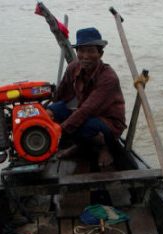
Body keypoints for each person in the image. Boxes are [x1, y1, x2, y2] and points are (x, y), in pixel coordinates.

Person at [46, 27, 126, 168]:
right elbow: (61, 95)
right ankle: (79, 145)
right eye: (81, 51)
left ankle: (104, 148)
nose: (85, 56)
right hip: (86, 113)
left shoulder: (108, 77)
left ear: (100, 53)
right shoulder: (73, 67)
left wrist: (58, 130)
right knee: (54, 110)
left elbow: (87, 110)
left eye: (91, 51)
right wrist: (48, 113)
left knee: (86, 126)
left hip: (108, 123)